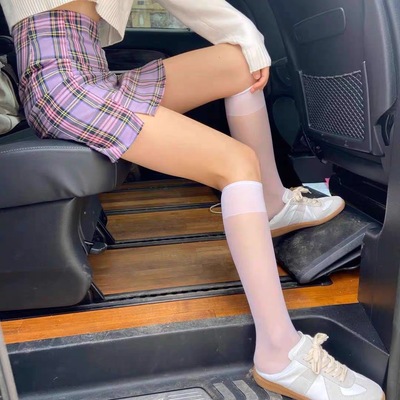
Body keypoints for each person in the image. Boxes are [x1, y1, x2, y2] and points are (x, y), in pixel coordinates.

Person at [0, 1, 384, 399]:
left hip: (91, 75)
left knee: (241, 64)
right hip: (64, 86)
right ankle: (278, 351)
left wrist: (249, 42)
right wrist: (247, 30)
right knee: (237, 162)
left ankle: (273, 204)